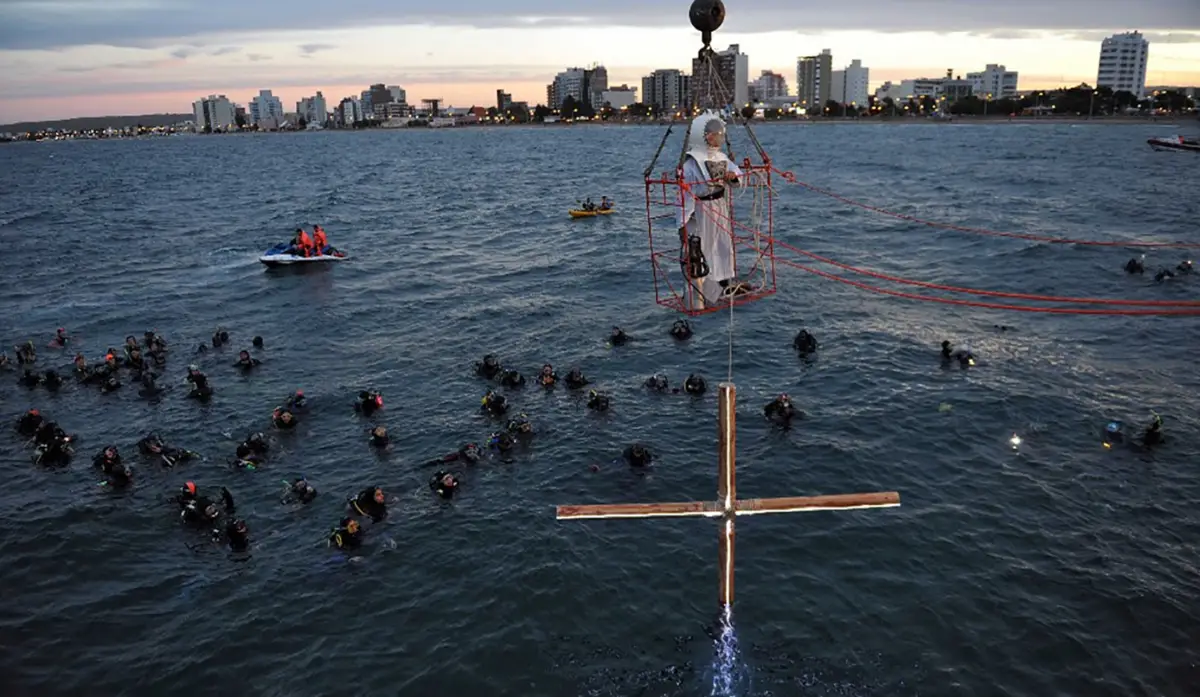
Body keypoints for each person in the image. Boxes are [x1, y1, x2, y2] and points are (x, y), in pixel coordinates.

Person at [677, 112, 749, 309]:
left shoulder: (722, 158)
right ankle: (708, 292)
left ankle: (725, 283)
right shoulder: (691, 165)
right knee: (705, 248)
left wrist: (731, 177)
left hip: (720, 206)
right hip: (702, 208)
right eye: (715, 134)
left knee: (724, 245)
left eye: (719, 134)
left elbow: (739, 176)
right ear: (705, 136)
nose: (718, 138)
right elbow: (686, 196)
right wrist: (682, 223)